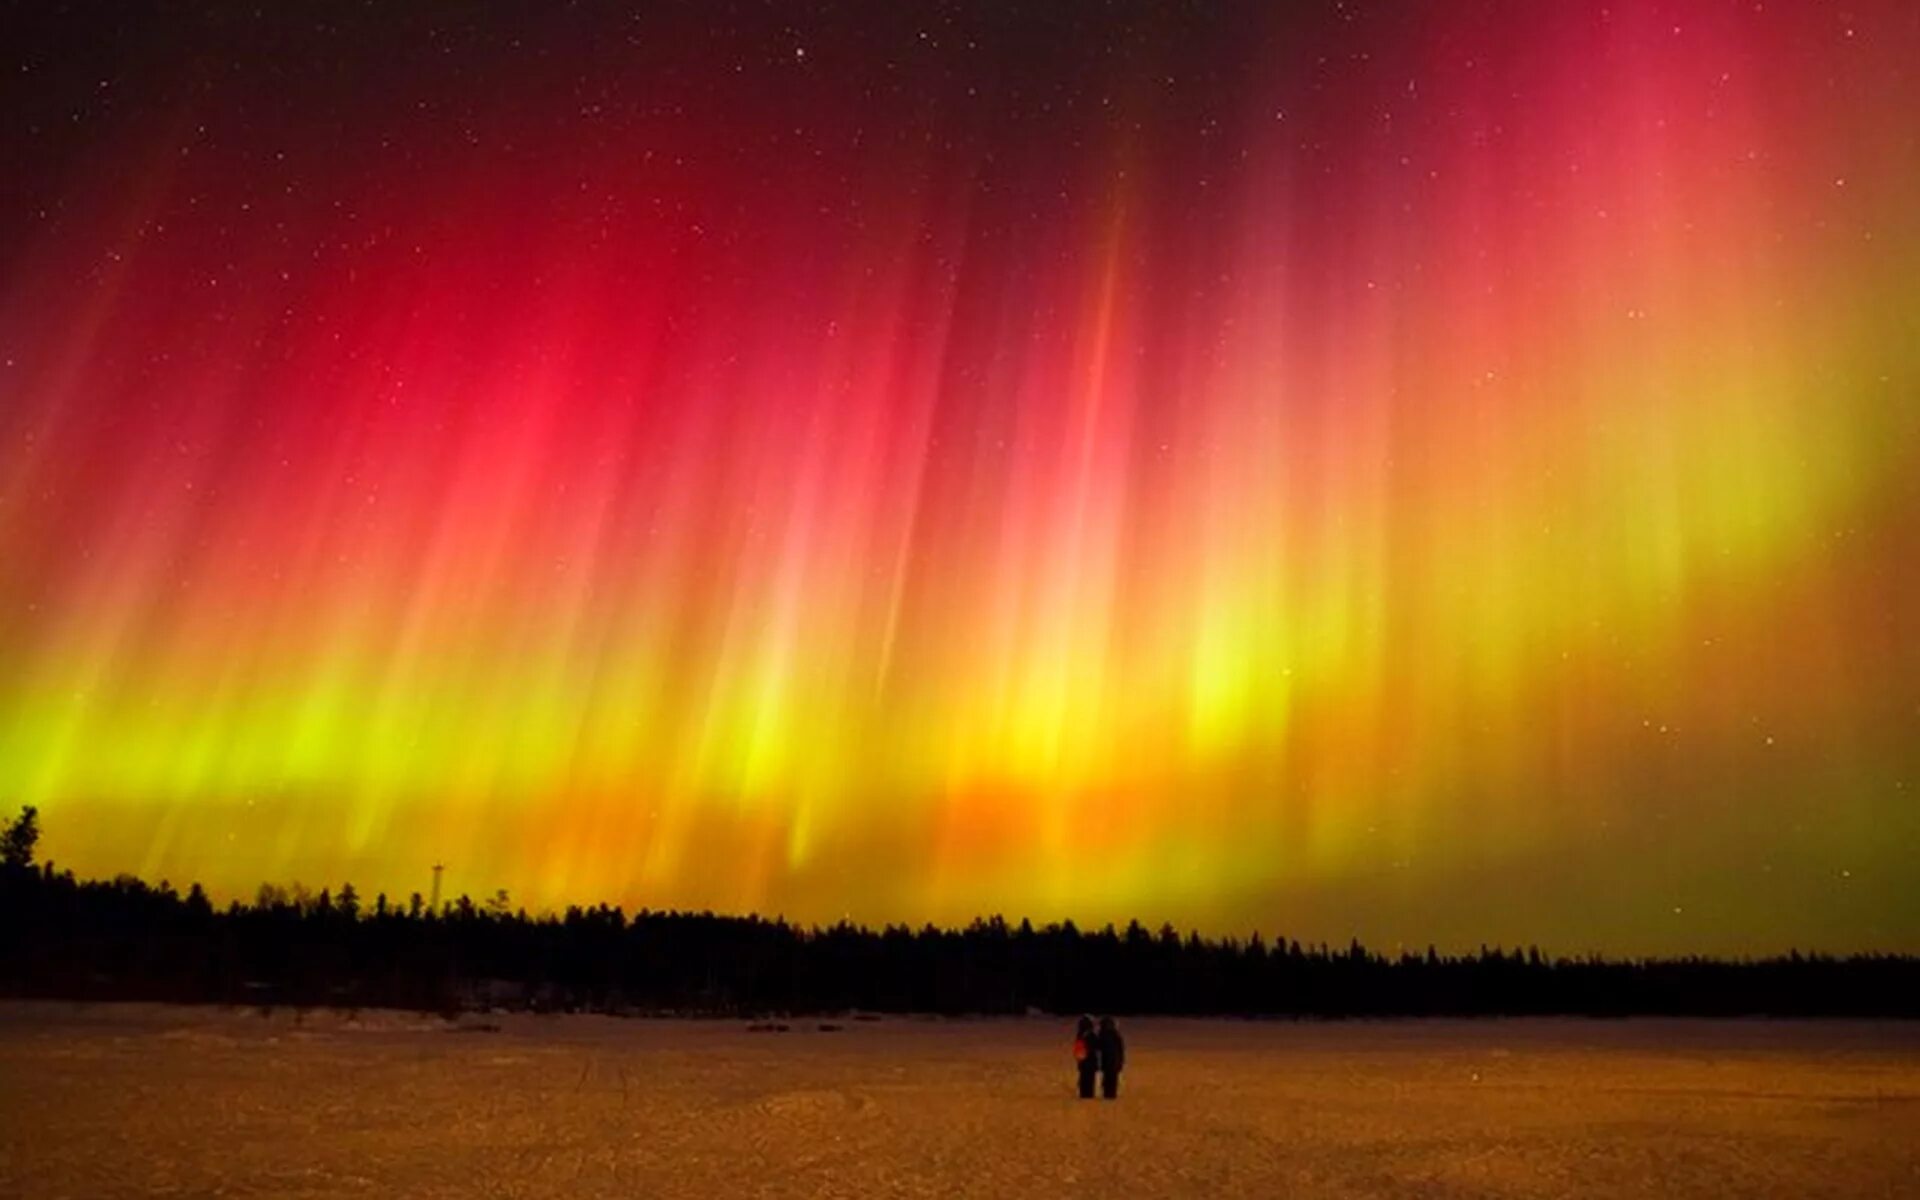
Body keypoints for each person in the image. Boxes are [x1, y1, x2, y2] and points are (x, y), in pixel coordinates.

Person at [1096, 1015, 1125, 1099]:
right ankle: (1110, 1094)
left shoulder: (1104, 1035)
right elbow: (1121, 1050)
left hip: (1109, 1061)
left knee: (1109, 1079)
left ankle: (1109, 1094)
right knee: (1111, 1080)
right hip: (1112, 1062)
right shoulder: (1115, 1035)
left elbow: (1098, 1047)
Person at [1073, 1014, 1099, 1099]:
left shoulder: (1081, 1035)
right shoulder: (1090, 1035)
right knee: (1088, 1080)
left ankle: (1085, 1094)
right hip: (1089, 1061)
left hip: (1084, 1061)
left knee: (1085, 1079)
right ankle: (1087, 1095)